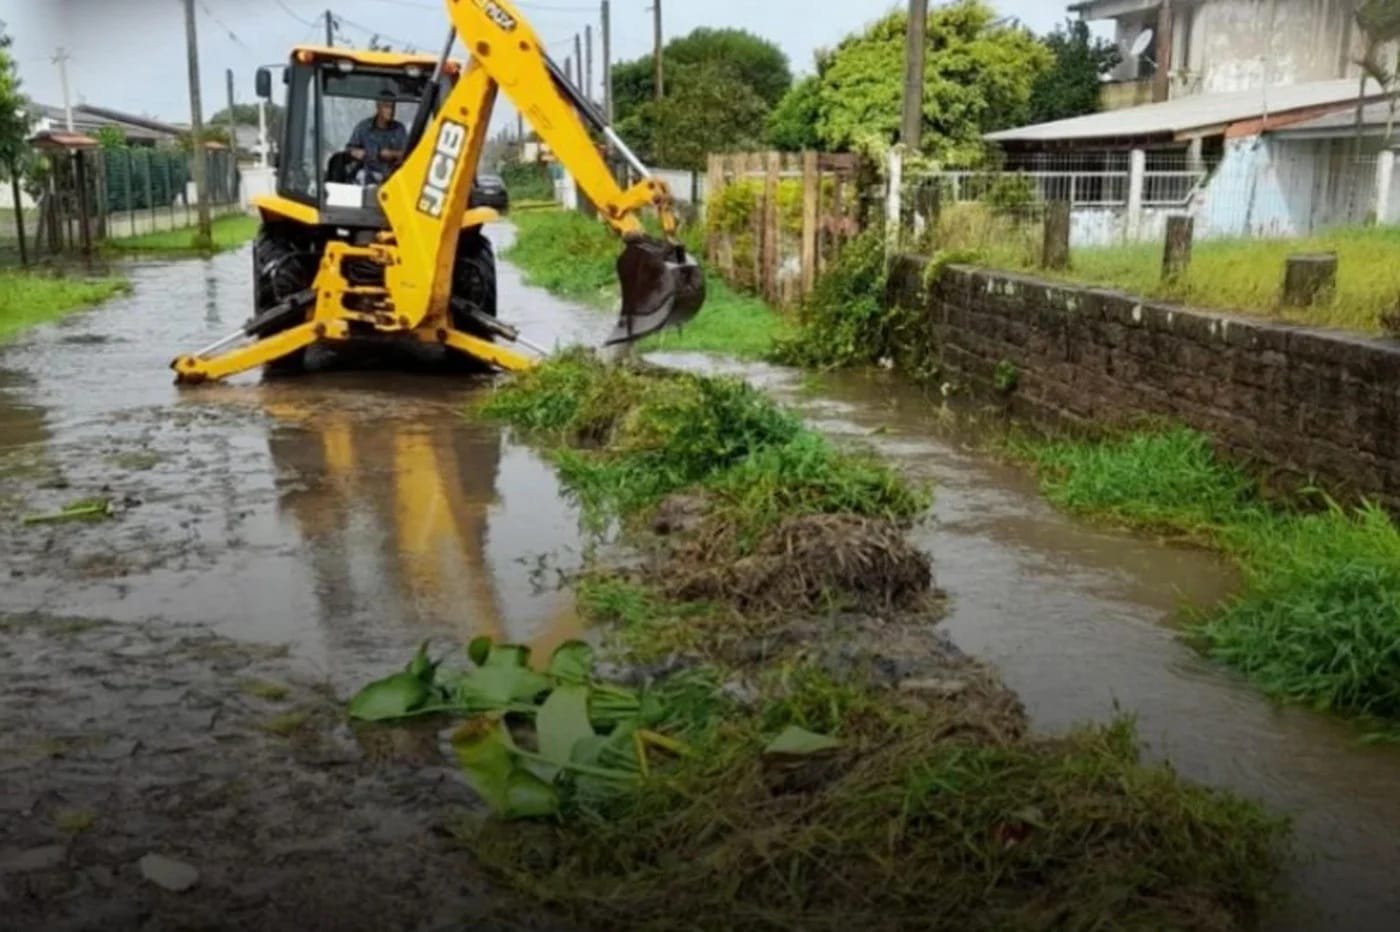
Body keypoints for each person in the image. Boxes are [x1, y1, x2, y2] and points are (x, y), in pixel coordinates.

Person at [347, 90, 408, 183]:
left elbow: (408, 154)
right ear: (378, 107)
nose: (391, 111)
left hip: (392, 177)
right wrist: (356, 152)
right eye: (387, 107)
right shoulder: (363, 127)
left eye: (393, 107)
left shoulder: (399, 129)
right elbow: (349, 149)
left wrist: (392, 154)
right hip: (367, 175)